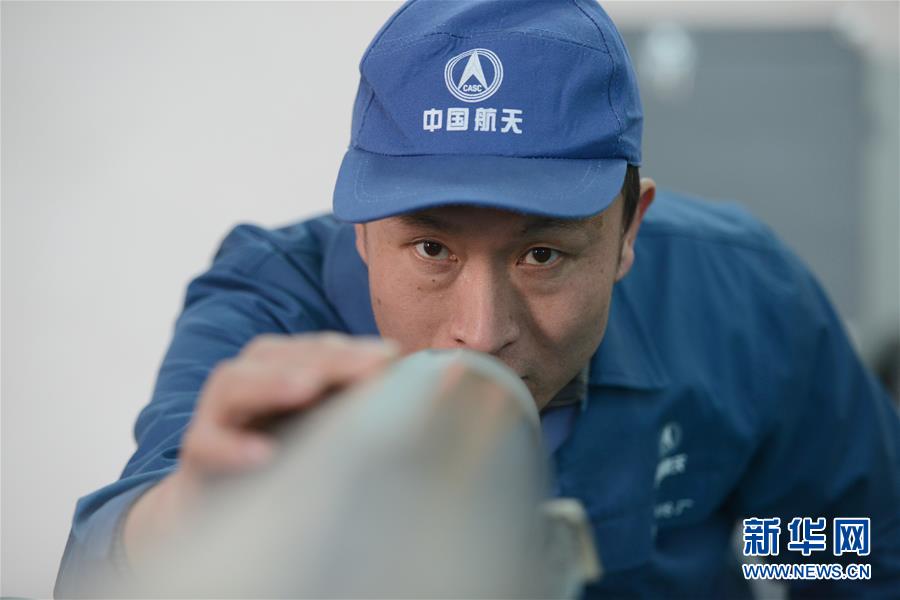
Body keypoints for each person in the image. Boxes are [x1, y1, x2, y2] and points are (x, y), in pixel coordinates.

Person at [55, 0, 900, 597]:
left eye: (542, 255)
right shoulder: (269, 306)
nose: (482, 331)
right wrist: (194, 521)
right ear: (360, 226)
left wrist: (748, 546)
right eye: (432, 250)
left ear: (628, 229)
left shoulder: (741, 296)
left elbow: (863, 551)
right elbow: (103, 561)